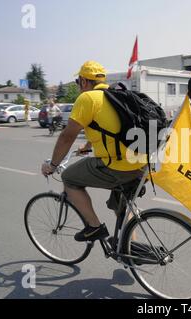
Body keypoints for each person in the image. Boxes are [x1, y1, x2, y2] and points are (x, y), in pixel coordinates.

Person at [41, 61, 145, 242]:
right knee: (121, 206)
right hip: (140, 165)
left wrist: (53, 165)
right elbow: (109, 127)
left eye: (77, 82)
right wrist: (88, 146)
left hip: (116, 166)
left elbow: (67, 136)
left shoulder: (88, 98)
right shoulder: (117, 95)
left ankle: (94, 227)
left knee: (69, 178)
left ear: (83, 81)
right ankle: (131, 249)